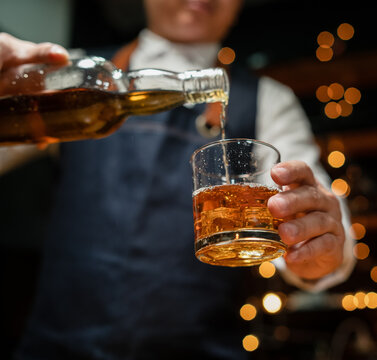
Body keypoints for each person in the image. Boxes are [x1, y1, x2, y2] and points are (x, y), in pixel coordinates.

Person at [1, 0, 355, 358]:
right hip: (57, 345)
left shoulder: (269, 100)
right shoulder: (75, 75)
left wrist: (319, 248)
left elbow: (327, 229)